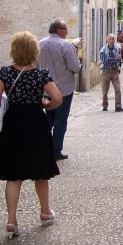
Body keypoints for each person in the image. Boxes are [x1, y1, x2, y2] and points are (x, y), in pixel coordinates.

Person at [0, 31, 63, 239]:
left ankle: (12, 220)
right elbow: (57, 98)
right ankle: (45, 211)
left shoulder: (5, 73)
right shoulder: (41, 75)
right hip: (35, 123)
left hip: (13, 123)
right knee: (41, 171)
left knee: (14, 175)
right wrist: (46, 105)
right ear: (33, 51)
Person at [38, 19, 82, 160]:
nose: (67, 31)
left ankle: (43, 146)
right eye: (65, 28)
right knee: (60, 120)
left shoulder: (40, 44)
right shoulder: (65, 46)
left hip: (46, 88)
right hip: (63, 88)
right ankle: (56, 149)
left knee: (48, 118)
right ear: (58, 30)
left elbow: (35, 65)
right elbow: (75, 66)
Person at [100, 34, 123, 111]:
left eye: (113, 39)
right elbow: (104, 61)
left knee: (117, 89)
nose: (111, 40)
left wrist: (109, 58)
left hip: (115, 71)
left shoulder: (117, 48)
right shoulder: (103, 50)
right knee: (105, 90)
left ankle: (118, 106)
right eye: (110, 39)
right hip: (106, 71)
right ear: (107, 40)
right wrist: (113, 59)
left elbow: (118, 60)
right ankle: (105, 105)